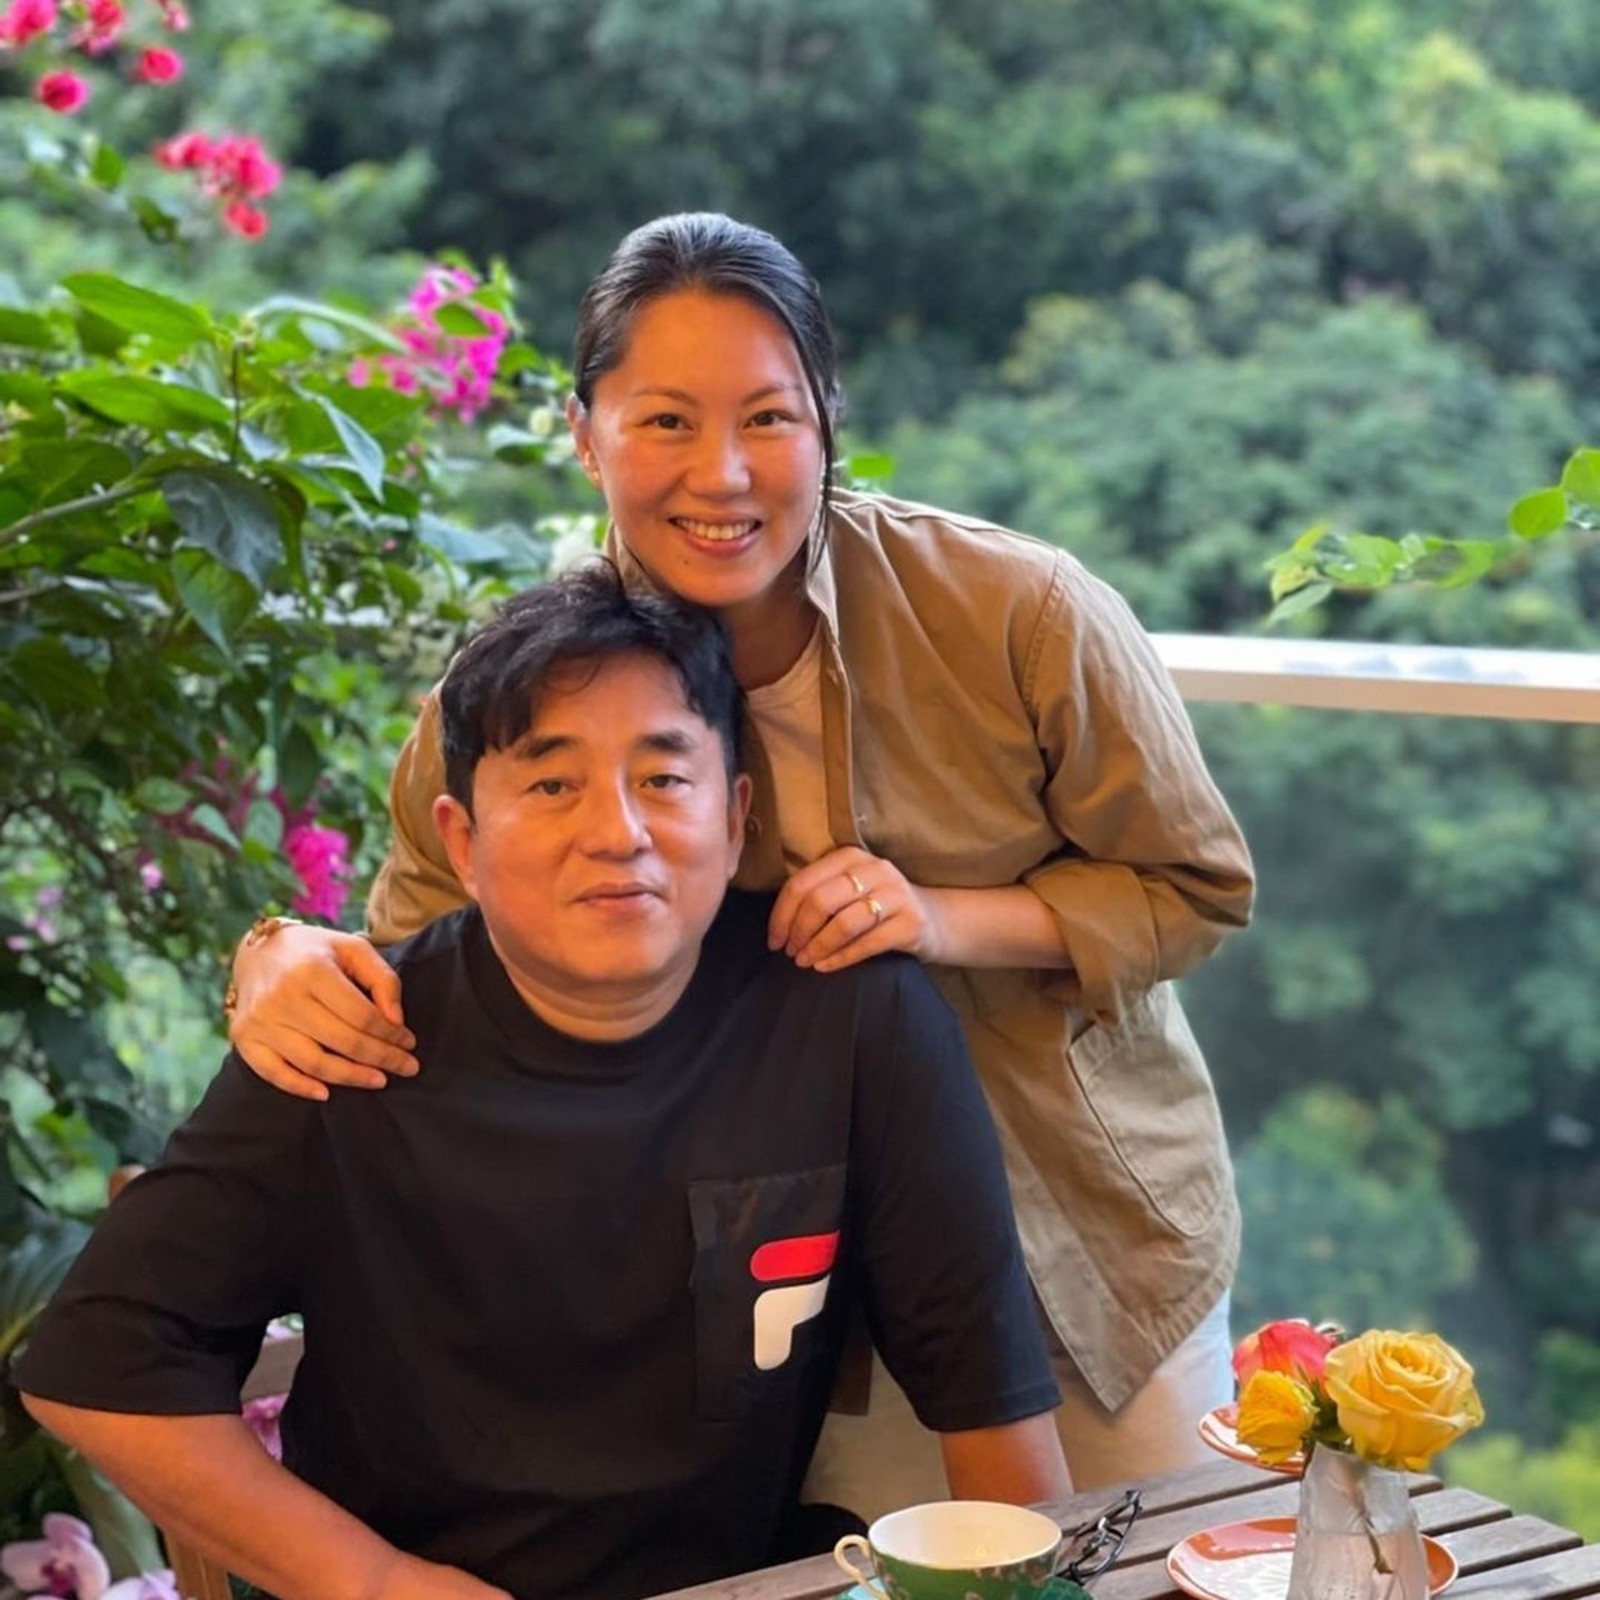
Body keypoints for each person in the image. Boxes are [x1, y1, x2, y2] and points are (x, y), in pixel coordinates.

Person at [224, 212, 1255, 1509]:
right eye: (664, 420)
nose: (720, 476)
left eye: (768, 418)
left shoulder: (1018, 611)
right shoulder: (518, 681)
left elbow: (1192, 885)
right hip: (770, 1304)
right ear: (583, 431)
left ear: (827, 423)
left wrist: (938, 917)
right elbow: (427, 964)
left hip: (1078, 1254)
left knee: (1131, 1572)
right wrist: (275, 955)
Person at [16, 566, 1069, 1600]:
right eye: (553, 783)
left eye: (664, 778)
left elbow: (987, 1396)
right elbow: (94, 1365)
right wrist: (376, 1580)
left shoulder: (851, 1020)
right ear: (463, 842)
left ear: (735, 818)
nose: (617, 832)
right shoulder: (355, 1037)